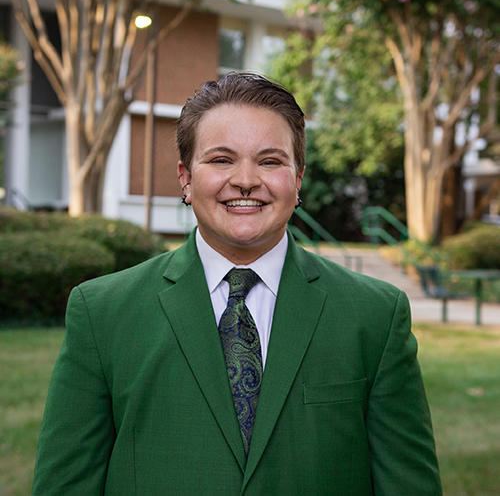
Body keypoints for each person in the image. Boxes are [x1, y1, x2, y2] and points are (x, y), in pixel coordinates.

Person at [33, 73, 442, 495]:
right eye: (222, 159)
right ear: (185, 177)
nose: (246, 180)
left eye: (269, 161)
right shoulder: (102, 313)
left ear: (298, 177)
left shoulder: (374, 316)